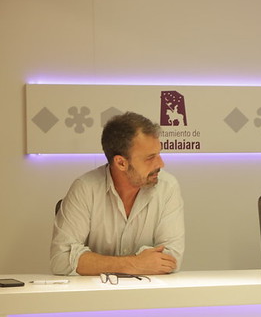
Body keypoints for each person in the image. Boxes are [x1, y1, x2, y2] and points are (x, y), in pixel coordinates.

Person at [51, 112, 185, 275]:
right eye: (150, 158)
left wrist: (95, 263)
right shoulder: (85, 188)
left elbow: (171, 259)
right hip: (95, 290)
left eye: (159, 154)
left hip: (148, 290)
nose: (161, 164)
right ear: (121, 163)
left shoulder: (167, 187)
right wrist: (135, 263)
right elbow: (61, 259)